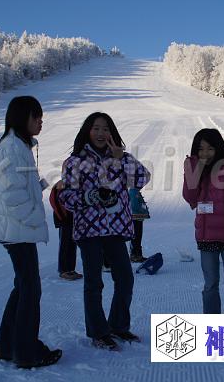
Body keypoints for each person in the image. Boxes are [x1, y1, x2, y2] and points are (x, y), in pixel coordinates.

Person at [59, 112, 151, 350]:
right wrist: (91, 196)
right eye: (96, 128)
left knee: (125, 279)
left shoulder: (121, 158)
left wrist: (123, 159)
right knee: (94, 283)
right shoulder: (75, 161)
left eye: (105, 128)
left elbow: (143, 178)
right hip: (88, 230)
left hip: (115, 229)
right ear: (87, 131)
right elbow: (66, 197)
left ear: (112, 132)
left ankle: (118, 326)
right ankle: (99, 332)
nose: (101, 133)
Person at [0, 95, 62, 368]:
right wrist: (34, 218)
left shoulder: (19, 145)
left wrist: (46, 184)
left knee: (23, 288)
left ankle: (7, 346)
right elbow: (11, 195)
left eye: (41, 117)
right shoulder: (11, 147)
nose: (41, 122)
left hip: (18, 229)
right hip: (17, 231)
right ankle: (26, 352)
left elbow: (20, 187)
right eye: (36, 117)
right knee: (30, 290)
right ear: (22, 117)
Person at [182, 128, 224, 314]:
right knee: (210, 284)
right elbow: (190, 198)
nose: (205, 153)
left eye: (210, 149)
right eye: (201, 149)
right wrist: (195, 170)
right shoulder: (196, 169)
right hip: (207, 236)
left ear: (218, 148)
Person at [49, 177, 83, 281]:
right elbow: (54, 201)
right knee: (65, 244)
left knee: (72, 244)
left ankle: (70, 269)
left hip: (73, 219)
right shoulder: (62, 183)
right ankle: (64, 270)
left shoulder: (76, 182)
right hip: (65, 220)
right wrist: (62, 217)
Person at [128, 188, 150, 262]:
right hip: (136, 218)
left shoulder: (135, 191)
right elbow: (135, 205)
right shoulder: (134, 192)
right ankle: (135, 255)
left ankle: (138, 255)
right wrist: (143, 210)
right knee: (136, 236)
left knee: (138, 236)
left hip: (138, 218)